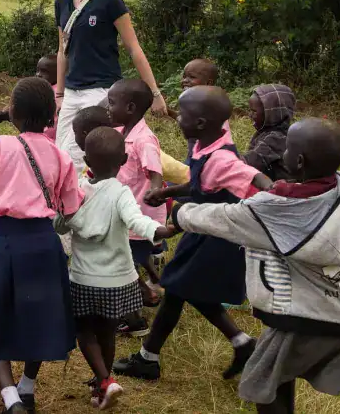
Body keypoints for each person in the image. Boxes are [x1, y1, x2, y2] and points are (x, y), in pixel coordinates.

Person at [169, 119, 340, 414]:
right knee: (277, 377)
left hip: (311, 317)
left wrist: (178, 212)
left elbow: (224, 218)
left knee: (261, 382)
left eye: (287, 148)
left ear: (298, 161)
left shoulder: (274, 209)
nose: (283, 152)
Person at [114, 86, 274, 382]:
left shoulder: (222, 158)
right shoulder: (207, 145)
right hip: (202, 230)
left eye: (182, 114)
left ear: (200, 123)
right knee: (180, 288)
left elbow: (252, 176)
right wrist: (168, 193)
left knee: (180, 286)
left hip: (218, 236)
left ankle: (149, 358)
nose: (177, 119)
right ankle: (240, 343)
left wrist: (276, 193)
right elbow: (202, 183)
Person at [0, 77, 84, 414]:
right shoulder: (61, 155)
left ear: (13, 112)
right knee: (41, 317)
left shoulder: (2, 145)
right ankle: (28, 386)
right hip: (45, 244)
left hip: (8, 242)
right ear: (52, 115)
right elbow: (71, 208)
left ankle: (10, 398)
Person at [57, 127, 176, 409]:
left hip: (85, 279)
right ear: (123, 160)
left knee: (84, 331)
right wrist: (159, 230)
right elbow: (136, 220)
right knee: (107, 333)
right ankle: (104, 381)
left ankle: (104, 380)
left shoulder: (78, 190)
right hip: (119, 281)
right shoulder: (121, 193)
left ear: (86, 159)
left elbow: (60, 224)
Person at [53, 0, 165, 170]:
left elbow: (134, 49)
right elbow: (62, 51)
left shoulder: (109, 1)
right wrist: (60, 93)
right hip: (72, 91)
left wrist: (155, 93)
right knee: (60, 153)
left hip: (101, 90)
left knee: (79, 156)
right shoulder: (62, 3)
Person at [106, 79, 166, 335]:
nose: (107, 108)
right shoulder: (122, 133)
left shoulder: (144, 140)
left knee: (123, 267)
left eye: (111, 103)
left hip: (139, 217)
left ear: (130, 108)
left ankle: (134, 320)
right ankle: (150, 291)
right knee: (126, 264)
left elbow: (156, 171)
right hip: (125, 216)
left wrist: (155, 189)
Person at [244, 84, 296, 182]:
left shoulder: (275, 138)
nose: (250, 115)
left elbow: (248, 163)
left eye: (254, 111)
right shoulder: (272, 132)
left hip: (280, 188)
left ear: (271, 114)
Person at [70, 105, 114, 170]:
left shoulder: (99, 167)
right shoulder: (114, 158)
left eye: (75, 132)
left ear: (85, 134)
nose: (75, 138)